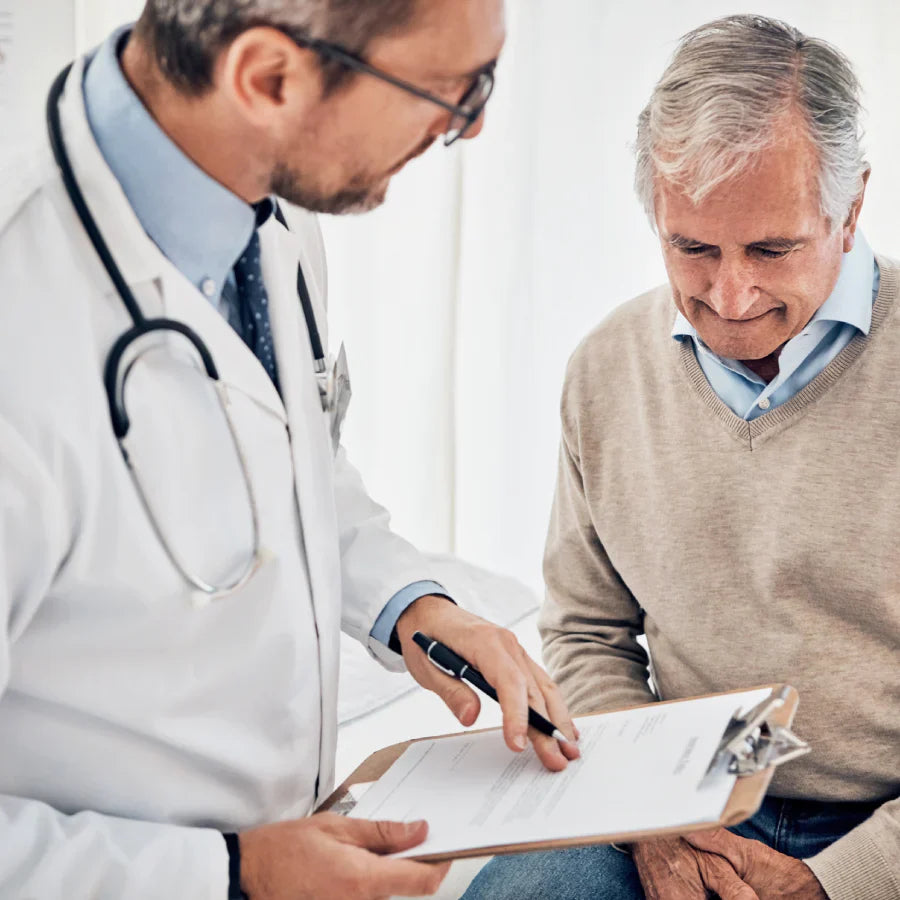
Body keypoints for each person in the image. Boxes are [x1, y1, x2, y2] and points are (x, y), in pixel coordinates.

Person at [0, 1, 581, 897]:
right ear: (269, 78)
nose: (471, 123)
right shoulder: (22, 314)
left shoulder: (262, 207)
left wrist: (411, 607)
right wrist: (228, 875)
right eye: (446, 90)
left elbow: (286, 463)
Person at [463, 14, 899, 900]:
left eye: (772, 250)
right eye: (691, 247)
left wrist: (840, 882)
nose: (729, 296)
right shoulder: (605, 369)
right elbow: (588, 631)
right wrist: (654, 814)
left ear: (849, 209)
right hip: (675, 794)